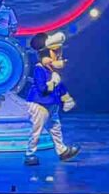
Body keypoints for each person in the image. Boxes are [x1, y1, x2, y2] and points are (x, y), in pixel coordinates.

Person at [24, 31, 81, 166]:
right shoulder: (40, 69)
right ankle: (30, 153)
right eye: (55, 53)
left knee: (55, 128)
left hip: (52, 104)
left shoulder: (52, 71)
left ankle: (62, 151)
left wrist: (66, 98)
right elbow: (42, 88)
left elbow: (60, 86)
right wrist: (53, 83)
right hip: (39, 104)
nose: (59, 56)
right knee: (37, 130)